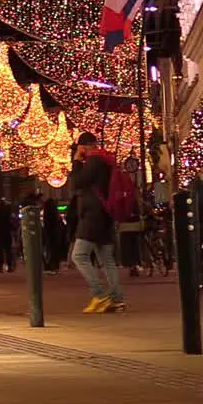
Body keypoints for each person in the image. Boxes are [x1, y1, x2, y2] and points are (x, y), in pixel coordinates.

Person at [69, 132, 126, 313]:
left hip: (92, 216)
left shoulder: (94, 162)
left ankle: (100, 295)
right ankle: (117, 300)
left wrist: (76, 161)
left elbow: (77, 182)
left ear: (84, 146)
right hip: (106, 214)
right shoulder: (107, 161)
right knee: (106, 260)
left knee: (78, 256)